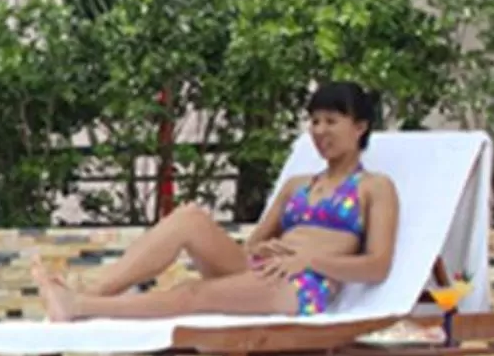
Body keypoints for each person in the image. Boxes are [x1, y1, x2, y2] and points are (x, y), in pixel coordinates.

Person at [33, 81, 399, 322]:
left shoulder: (374, 187)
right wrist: (265, 246)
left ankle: (81, 306)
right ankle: (94, 290)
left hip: (304, 286)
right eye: (314, 121)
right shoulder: (296, 185)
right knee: (189, 216)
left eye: (331, 121)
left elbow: (377, 266)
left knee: (195, 293)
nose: (319, 131)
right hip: (261, 268)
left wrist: (310, 260)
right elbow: (254, 242)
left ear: (360, 127)